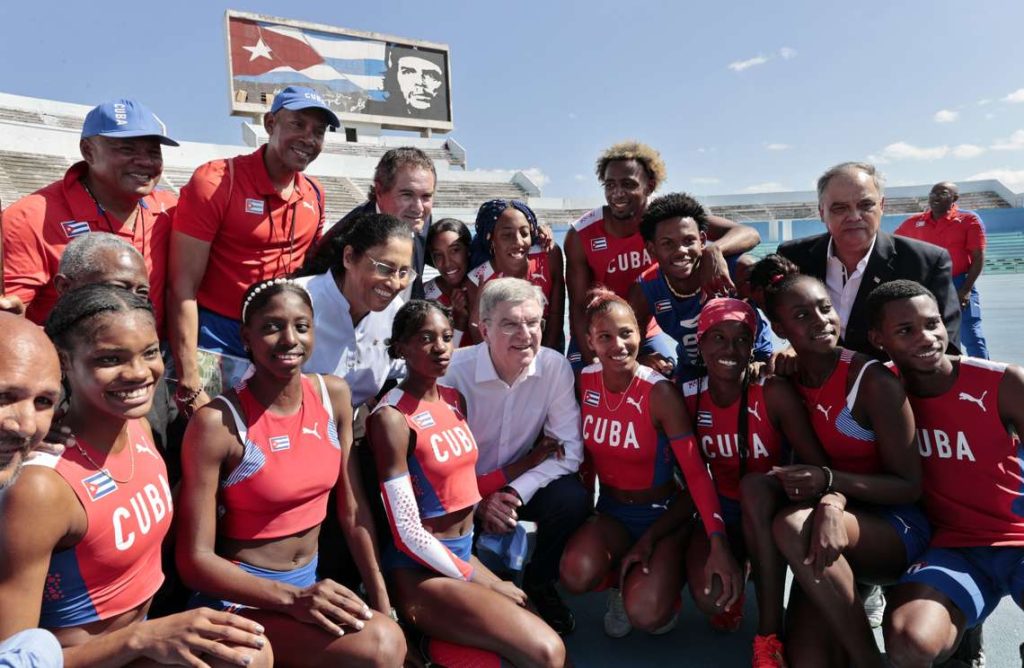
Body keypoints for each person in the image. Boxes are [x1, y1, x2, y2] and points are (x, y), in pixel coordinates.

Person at [0, 285, 271, 667]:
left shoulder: (138, 426)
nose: (139, 373)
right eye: (110, 358)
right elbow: (13, 658)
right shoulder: (41, 488)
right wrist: (140, 639)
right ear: (64, 362)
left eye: (148, 353)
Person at [176, 278, 405, 667]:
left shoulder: (332, 395)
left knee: (388, 637)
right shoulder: (218, 422)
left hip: (307, 590)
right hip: (239, 599)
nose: (289, 339)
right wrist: (292, 600)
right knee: (380, 648)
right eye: (271, 327)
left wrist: (382, 601)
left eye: (301, 326)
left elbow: (353, 513)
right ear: (246, 337)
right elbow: (194, 561)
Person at [746, 256, 926, 668]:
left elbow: (909, 486)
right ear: (779, 330)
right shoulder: (788, 377)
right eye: (801, 315)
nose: (821, 320)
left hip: (893, 528)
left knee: (791, 524)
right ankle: (769, 636)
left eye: (825, 308)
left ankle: (869, 660)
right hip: (826, 534)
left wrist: (830, 487)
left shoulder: (871, 381)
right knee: (810, 660)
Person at [367, 300, 566, 667]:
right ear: (401, 348)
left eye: (445, 337)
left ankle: (435, 645)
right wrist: (485, 581)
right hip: (419, 571)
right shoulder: (391, 419)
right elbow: (408, 533)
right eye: (426, 338)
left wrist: (530, 460)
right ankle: (426, 642)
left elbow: (466, 485)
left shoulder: (454, 400)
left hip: (461, 554)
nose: (441, 347)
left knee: (545, 638)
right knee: (546, 653)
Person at [559, 290, 742, 639]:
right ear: (589, 342)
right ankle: (621, 581)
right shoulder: (583, 382)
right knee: (574, 573)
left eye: (626, 333)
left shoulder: (659, 393)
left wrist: (718, 543)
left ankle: (669, 580)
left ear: (640, 334)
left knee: (646, 615)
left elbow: (695, 474)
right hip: (612, 512)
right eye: (605, 337)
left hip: (663, 515)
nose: (618, 345)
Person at [866, 280, 1023, 668]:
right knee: (908, 642)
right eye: (906, 330)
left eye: (932, 323)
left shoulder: (1003, 383)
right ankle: (964, 631)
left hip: (1018, 538)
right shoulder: (878, 390)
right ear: (877, 338)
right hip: (954, 548)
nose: (928, 338)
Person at [169, 85, 339, 414]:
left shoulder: (315, 194)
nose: (308, 138)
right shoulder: (217, 180)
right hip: (215, 340)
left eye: (318, 132)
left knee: (266, 452)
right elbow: (182, 287)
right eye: (297, 125)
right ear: (270, 123)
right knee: (206, 446)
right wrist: (190, 373)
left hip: (277, 344)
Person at [681, 298, 827, 667]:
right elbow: (691, 476)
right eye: (717, 337)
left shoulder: (772, 391)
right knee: (710, 597)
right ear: (700, 343)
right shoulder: (688, 397)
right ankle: (740, 573)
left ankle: (768, 634)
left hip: (774, 508)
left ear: (753, 345)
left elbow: (816, 462)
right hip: (724, 510)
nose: (730, 349)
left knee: (753, 487)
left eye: (741, 339)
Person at [441, 278, 589, 634]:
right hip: (460, 496)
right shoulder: (452, 373)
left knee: (573, 498)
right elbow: (438, 468)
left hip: (514, 488)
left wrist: (513, 493)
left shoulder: (553, 367)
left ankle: (539, 582)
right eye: (510, 323)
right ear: (484, 329)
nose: (525, 333)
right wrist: (479, 503)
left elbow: (569, 452)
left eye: (534, 322)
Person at [563, 141, 761, 370]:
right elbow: (577, 307)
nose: (617, 193)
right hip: (597, 331)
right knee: (586, 386)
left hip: (643, 328)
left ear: (650, 185)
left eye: (628, 184)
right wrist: (596, 362)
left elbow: (748, 233)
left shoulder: (669, 219)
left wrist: (713, 250)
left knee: (666, 377)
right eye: (610, 185)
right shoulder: (581, 235)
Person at [1, 98, 177, 329]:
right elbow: (11, 317)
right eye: (127, 149)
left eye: (154, 152)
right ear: (88, 151)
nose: (145, 161)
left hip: (150, 357)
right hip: (66, 360)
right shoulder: (30, 217)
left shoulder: (169, 208)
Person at [777, 162, 960, 358]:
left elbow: (947, 344)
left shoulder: (926, 262)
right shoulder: (794, 257)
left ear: (881, 206)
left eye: (865, 205)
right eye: (840, 208)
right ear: (822, 212)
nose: (854, 216)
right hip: (817, 383)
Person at [628, 193, 772, 382]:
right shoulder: (645, 289)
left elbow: (752, 234)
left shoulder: (737, 269)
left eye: (689, 240)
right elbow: (627, 336)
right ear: (652, 249)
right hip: (694, 372)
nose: (680, 250)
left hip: (753, 366)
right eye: (667, 243)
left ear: (702, 240)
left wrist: (715, 249)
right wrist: (639, 358)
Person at [294, 213, 414, 408]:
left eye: (404, 272)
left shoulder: (395, 312)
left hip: (352, 425)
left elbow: (408, 365)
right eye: (384, 268)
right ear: (349, 258)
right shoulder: (297, 301)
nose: (395, 283)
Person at [314, 148, 436, 299]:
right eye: (407, 195)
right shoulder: (344, 238)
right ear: (379, 192)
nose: (418, 208)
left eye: (426, 196)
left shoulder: (422, 220)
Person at [894, 181, 989, 359]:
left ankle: (987, 378)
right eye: (933, 193)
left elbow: (978, 256)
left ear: (955, 198)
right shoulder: (914, 222)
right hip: (926, 288)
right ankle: (947, 378)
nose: (936, 197)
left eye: (942, 193)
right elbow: (892, 246)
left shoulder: (968, 220)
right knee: (937, 335)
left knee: (971, 335)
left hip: (959, 284)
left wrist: (966, 289)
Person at [466, 199, 566, 351]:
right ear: (491, 239)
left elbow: (556, 315)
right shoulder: (478, 280)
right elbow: (481, 336)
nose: (518, 242)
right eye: (507, 235)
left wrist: (543, 357)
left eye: (524, 233)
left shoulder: (549, 255)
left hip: (548, 348)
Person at [423, 217, 473, 346]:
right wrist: (459, 320)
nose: (447, 263)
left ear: (468, 250)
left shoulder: (484, 285)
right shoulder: (424, 297)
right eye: (438, 255)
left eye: (455, 250)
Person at [366, 46, 448, 122]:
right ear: (394, 77)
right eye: (408, 72)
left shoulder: (443, 115)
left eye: (431, 75)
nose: (419, 82)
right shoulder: (372, 110)